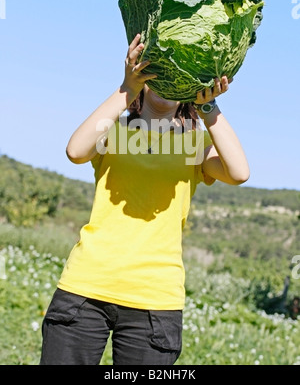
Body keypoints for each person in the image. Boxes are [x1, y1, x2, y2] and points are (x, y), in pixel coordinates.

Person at [40, 33, 250, 365]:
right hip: (86, 287)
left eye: (175, 77)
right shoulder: (114, 132)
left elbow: (239, 172)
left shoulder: (194, 144)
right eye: (159, 73)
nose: (165, 84)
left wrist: (208, 106)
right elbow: (75, 151)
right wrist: (127, 88)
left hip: (156, 300)